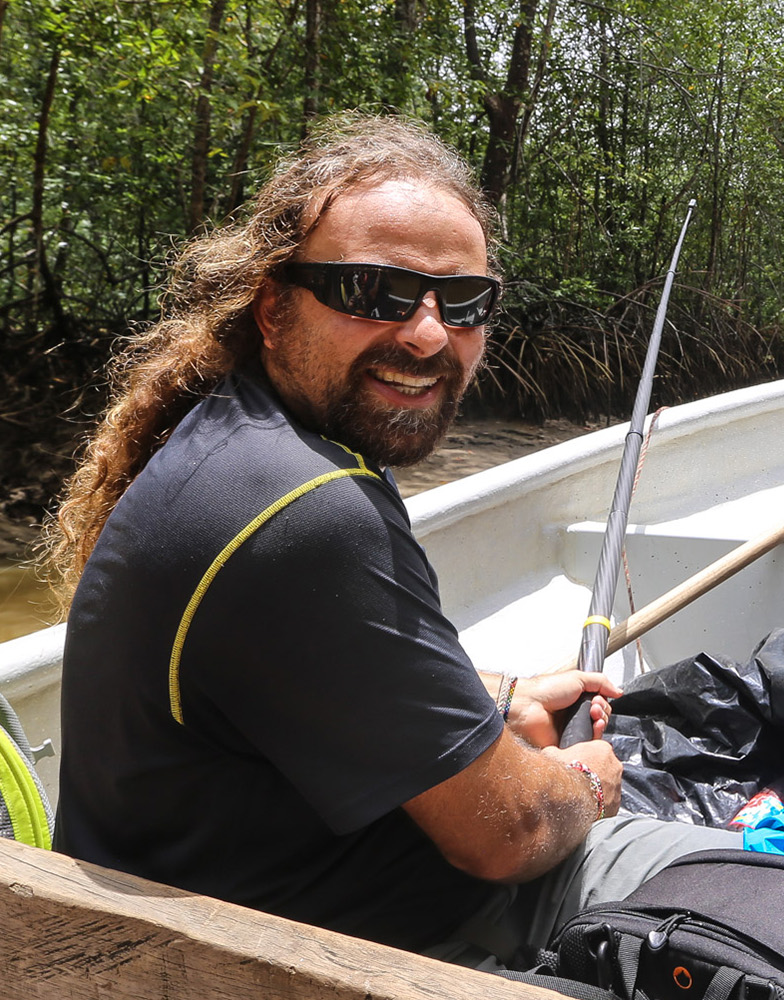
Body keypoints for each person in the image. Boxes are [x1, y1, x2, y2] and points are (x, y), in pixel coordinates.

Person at [45, 115, 736, 967]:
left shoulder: (236, 445)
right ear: (272, 307)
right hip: (306, 960)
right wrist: (590, 778)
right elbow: (510, 836)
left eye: (467, 302)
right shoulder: (307, 511)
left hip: (219, 925)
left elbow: (301, 664)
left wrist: (499, 690)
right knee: (768, 901)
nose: (428, 334)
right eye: (375, 292)